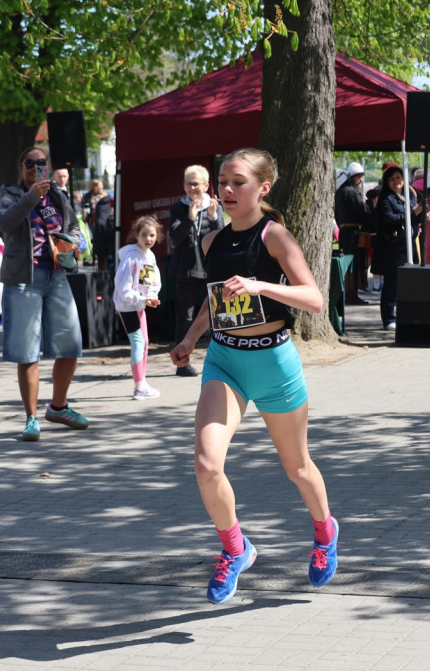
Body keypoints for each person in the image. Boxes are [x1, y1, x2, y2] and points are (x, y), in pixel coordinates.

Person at [169, 148, 338, 605]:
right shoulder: (211, 242)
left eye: (236, 181)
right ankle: (235, 549)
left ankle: (325, 534)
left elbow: (314, 299)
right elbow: (214, 300)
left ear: (263, 188)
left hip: (274, 363)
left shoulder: (275, 236)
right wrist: (190, 338)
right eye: (222, 180)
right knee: (206, 465)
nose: (226, 189)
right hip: (226, 361)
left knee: (297, 467)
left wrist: (260, 284)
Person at [0, 146, 88, 441]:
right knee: (27, 351)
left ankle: (58, 407)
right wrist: (32, 194)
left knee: (71, 344)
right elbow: (3, 224)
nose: (36, 168)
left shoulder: (58, 195)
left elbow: (74, 225)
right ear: (22, 168)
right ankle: (31, 418)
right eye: (30, 164)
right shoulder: (10, 193)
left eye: (41, 163)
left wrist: (70, 242)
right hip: (24, 278)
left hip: (57, 274)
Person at [168, 164, 224, 376]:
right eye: (189, 184)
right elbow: (174, 237)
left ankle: (222, 361)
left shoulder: (214, 205)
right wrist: (189, 218)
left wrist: (211, 217)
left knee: (218, 315)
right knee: (186, 317)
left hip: (211, 270)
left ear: (206, 185)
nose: (192, 188)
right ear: (183, 186)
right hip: (187, 271)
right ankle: (182, 363)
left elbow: (220, 235)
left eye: (196, 184)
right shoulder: (178, 208)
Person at [113, 216, 163, 400]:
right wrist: (142, 299)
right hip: (128, 306)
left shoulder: (150, 256)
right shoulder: (131, 257)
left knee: (144, 342)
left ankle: (142, 382)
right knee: (138, 342)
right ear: (136, 235)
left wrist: (151, 297)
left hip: (139, 304)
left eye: (152, 235)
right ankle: (139, 385)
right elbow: (123, 288)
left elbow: (153, 281)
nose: (148, 239)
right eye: (144, 235)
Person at [373, 164, 422, 329]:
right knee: (391, 284)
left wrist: (420, 214)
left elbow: (414, 218)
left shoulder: (410, 196)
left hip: (409, 246)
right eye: (392, 179)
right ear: (387, 182)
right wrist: (411, 213)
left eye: (398, 178)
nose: (396, 181)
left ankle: (406, 315)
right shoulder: (385, 198)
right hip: (392, 248)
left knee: (408, 283)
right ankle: (388, 319)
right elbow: (387, 219)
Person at [334, 162, 369, 304]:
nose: (360, 180)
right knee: (353, 262)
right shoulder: (350, 192)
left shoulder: (340, 191)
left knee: (349, 262)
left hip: (345, 231)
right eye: (359, 177)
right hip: (353, 233)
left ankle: (350, 293)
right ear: (353, 177)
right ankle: (351, 294)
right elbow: (363, 210)